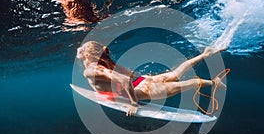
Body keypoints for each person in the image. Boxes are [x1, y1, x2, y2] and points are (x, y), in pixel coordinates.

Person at [77, 41, 227, 116]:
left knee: (188, 83)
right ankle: (205, 54)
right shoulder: (104, 64)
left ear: (88, 55)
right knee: (175, 74)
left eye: (82, 51)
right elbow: (130, 76)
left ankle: (214, 82)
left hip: (142, 89)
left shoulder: (90, 70)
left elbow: (125, 80)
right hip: (142, 81)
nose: (79, 52)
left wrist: (134, 103)